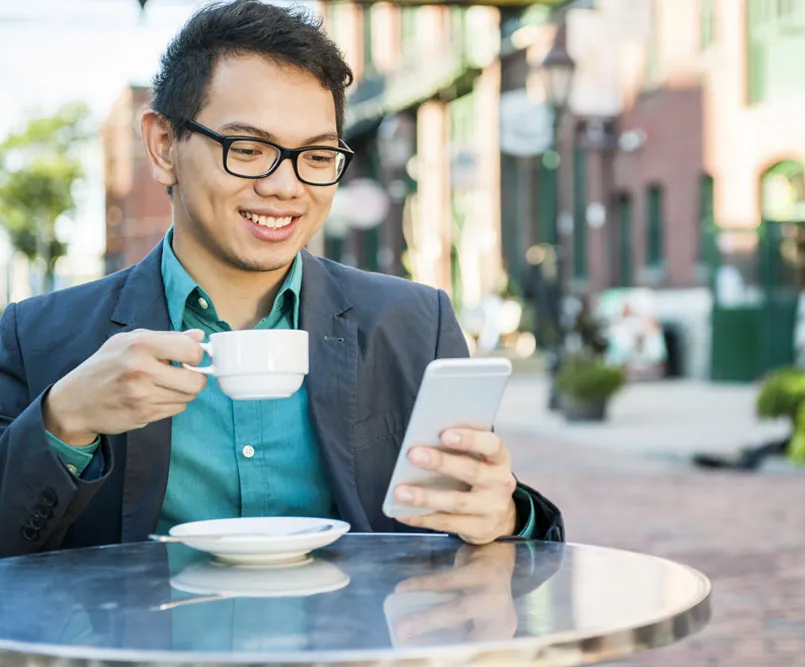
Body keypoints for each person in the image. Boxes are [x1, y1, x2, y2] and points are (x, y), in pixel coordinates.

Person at [0, 0, 562, 559]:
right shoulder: (38, 338)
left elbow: (493, 537)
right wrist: (64, 422)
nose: (286, 187)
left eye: (316, 156)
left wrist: (506, 516)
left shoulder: (416, 324)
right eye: (248, 149)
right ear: (163, 146)